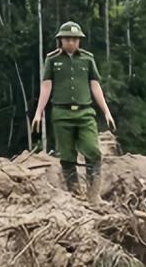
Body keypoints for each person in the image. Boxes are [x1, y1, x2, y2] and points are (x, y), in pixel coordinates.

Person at [31, 22, 116, 205]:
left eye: (75, 39)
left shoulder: (87, 59)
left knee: (92, 150)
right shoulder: (52, 60)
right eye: (68, 39)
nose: (71, 42)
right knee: (67, 155)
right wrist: (39, 113)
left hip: (85, 113)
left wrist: (106, 112)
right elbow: (46, 86)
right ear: (61, 40)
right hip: (61, 113)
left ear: (79, 41)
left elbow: (95, 85)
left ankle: (94, 195)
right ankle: (74, 193)